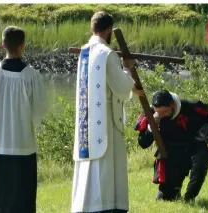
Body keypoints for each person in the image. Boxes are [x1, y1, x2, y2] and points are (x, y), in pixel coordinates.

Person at [71, 11, 143, 213]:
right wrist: (127, 68)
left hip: (87, 120)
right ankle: (107, 206)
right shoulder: (107, 53)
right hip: (106, 121)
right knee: (106, 166)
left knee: (91, 165)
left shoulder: (84, 52)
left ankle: (87, 205)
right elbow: (120, 86)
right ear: (109, 29)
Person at [0, 26, 48, 213]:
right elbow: (38, 111)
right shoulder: (32, 76)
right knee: (22, 198)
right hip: (23, 144)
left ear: (3, 45)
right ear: (22, 46)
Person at [134, 90, 208, 202]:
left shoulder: (190, 107)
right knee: (165, 198)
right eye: (159, 112)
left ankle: (189, 198)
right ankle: (173, 191)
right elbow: (143, 143)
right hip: (171, 154)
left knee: (201, 160)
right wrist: (151, 127)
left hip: (195, 147)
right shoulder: (151, 114)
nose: (161, 115)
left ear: (172, 105)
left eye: (165, 111)